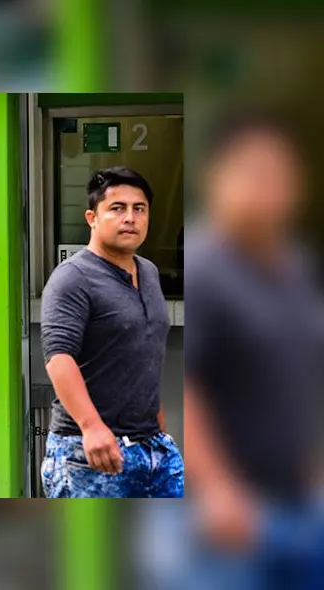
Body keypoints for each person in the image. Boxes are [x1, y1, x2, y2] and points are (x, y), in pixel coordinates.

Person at [177, 110, 324, 584]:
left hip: (296, 506)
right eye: (253, 173)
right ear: (214, 177)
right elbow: (182, 384)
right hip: (226, 519)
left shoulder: (295, 265)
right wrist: (218, 489)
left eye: (280, 175)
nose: (269, 189)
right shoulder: (204, 267)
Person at [39, 166, 183, 498]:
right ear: (92, 217)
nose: (130, 218)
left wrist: (156, 418)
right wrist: (92, 428)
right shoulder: (73, 278)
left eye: (139, 209)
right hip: (88, 452)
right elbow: (59, 358)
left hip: (151, 447)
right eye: (117, 208)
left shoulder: (147, 271)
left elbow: (143, 348)